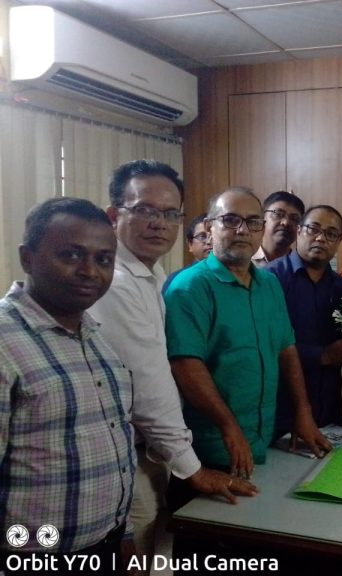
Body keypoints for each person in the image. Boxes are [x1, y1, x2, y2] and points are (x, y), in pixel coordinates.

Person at [89, 161, 257, 572]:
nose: (159, 224)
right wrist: (192, 469)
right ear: (114, 215)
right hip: (127, 451)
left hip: (150, 448)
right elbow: (150, 384)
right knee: (141, 551)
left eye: (169, 214)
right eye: (145, 210)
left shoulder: (150, 272)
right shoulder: (117, 282)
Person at [164, 187, 331, 491]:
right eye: (230, 220)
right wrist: (229, 426)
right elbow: (185, 365)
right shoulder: (189, 287)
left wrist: (302, 414)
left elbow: (286, 349)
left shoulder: (268, 283)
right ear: (210, 227)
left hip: (262, 437)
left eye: (253, 222)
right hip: (210, 446)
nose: (242, 230)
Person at [0, 198, 134, 575]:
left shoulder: (97, 339)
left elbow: (117, 446)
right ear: (28, 258)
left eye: (104, 260)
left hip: (106, 547)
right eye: (71, 255)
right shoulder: (4, 343)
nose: (90, 271)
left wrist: (126, 535)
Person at [268, 205, 342, 437]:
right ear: (298, 231)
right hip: (279, 412)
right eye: (313, 229)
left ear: (338, 242)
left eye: (331, 234)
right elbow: (265, 344)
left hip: (329, 410)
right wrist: (323, 355)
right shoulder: (270, 279)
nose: (320, 238)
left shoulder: (341, 288)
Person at [251, 190, 304, 268]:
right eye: (278, 214)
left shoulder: (300, 267)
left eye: (294, 219)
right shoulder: (244, 259)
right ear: (262, 217)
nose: (286, 222)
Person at [163, 213, 210, 293]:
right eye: (202, 236)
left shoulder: (233, 277)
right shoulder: (178, 279)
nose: (209, 241)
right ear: (190, 244)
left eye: (214, 236)